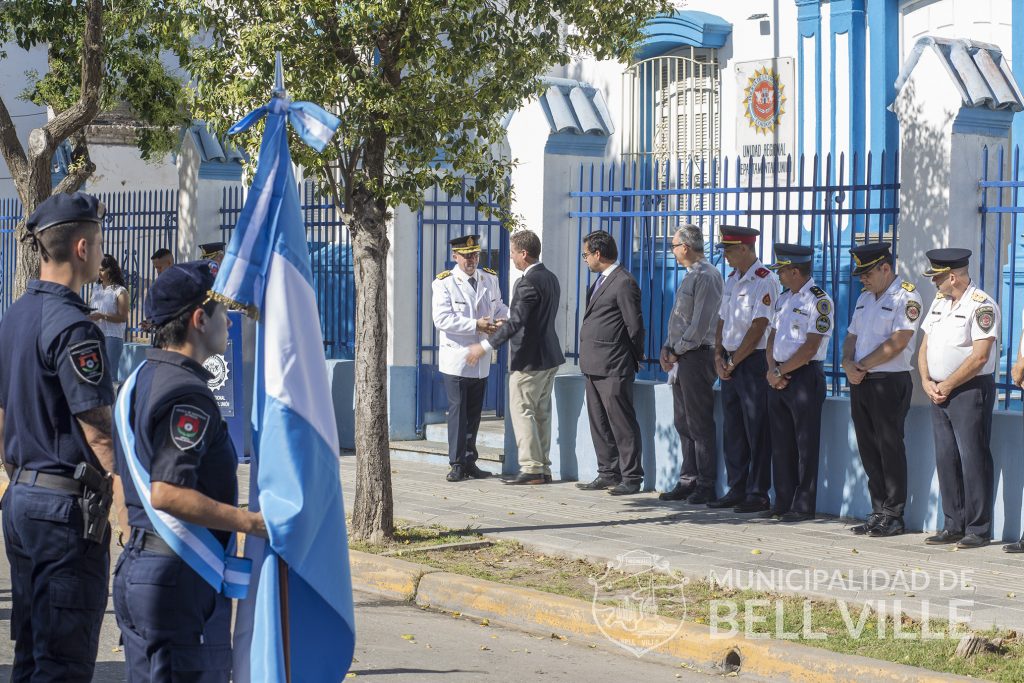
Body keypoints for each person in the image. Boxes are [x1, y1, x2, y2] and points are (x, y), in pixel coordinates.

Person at [112, 261, 267, 682]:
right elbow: (165, 491)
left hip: (147, 567)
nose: (230, 327)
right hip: (177, 578)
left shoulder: (141, 378)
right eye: (223, 315)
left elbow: (118, 474)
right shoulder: (188, 393)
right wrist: (249, 522)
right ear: (199, 320)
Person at [0, 192, 119, 681]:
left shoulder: (15, 316)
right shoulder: (74, 327)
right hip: (63, 511)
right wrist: (127, 506)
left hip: (23, 499)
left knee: (31, 653)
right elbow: (98, 430)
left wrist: (12, 480)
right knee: (63, 662)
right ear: (84, 248)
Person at [466, 229, 564, 484]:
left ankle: (531, 468)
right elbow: (528, 318)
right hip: (549, 356)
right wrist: (507, 321)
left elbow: (518, 322)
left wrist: (485, 346)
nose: (510, 258)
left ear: (524, 253)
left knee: (523, 412)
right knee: (541, 413)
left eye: (512, 253)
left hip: (529, 359)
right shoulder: (550, 277)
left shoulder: (526, 282)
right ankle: (542, 467)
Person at [918, 248, 999, 549]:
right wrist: (927, 380)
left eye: (936, 278)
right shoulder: (940, 302)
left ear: (952, 277)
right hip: (938, 390)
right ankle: (953, 523)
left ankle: (978, 529)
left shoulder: (982, 305)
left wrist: (949, 384)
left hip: (968, 390)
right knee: (946, 458)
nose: (934, 284)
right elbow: (924, 345)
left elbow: (980, 357)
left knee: (973, 457)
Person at [842, 242, 924, 538]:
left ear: (885, 267)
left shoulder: (906, 295)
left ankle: (894, 514)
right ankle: (878, 510)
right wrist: (847, 362)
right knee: (868, 447)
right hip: (861, 381)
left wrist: (861, 365)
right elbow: (851, 335)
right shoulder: (865, 298)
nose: (862, 279)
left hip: (889, 382)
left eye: (867, 273)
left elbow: (900, 340)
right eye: (860, 274)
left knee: (889, 447)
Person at [704, 225, 779, 513]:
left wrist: (735, 361)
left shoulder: (765, 280)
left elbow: (760, 326)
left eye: (730, 250)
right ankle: (737, 487)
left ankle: (758, 492)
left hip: (752, 361)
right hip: (730, 360)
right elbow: (723, 319)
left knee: (756, 428)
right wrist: (718, 356)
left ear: (746, 249)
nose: (725, 256)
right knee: (733, 427)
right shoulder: (732, 279)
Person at [763, 243, 833, 522]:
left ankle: (803, 505)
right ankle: (782, 500)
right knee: (780, 444)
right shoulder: (784, 298)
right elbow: (772, 336)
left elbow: (810, 347)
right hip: (777, 375)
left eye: (782, 271)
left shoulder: (818, 300)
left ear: (795, 271)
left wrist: (780, 373)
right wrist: (771, 369)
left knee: (805, 445)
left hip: (804, 377)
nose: (778, 276)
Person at [431, 234, 509, 482]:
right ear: (455, 256)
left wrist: (506, 318)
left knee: (474, 414)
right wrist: (476, 324)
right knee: (458, 413)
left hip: (482, 358)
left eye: (475, 255)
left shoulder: (489, 278)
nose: (471, 260)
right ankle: (456, 463)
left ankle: (469, 461)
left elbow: (499, 307)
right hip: (457, 357)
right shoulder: (443, 283)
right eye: (466, 256)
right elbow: (442, 320)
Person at [576, 230, 646, 496]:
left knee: (621, 422)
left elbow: (635, 325)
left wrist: (634, 357)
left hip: (614, 364)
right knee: (599, 422)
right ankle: (607, 472)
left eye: (585, 254)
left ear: (597, 253)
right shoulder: (600, 281)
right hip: (593, 364)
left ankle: (631, 476)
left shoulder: (623, 282)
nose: (584, 260)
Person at [657, 225, 724, 504]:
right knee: (683, 421)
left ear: (685, 247)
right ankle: (689, 478)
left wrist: (677, 350)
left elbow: (701, 324)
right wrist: (668, 349)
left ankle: (706, 483)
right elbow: (682, 321)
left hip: (696, 356)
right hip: (682, 356)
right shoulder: (691, 276)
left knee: (699, 423)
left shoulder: (707, 276)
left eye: (673, 245)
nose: (672, 251)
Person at [90, 253, 130, 377]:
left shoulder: (120, 291)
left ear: (111, 270)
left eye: (102, 270)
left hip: (112, 337)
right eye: (98, 270)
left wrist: (102, 316)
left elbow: (123, 317)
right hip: (95, 335)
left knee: (109, 376)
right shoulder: (95, 288)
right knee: (95, 374)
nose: (99, 273)